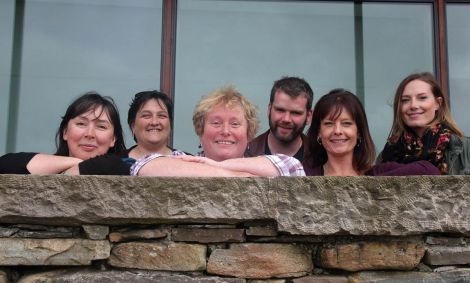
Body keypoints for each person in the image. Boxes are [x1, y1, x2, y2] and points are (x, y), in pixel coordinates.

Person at [131, 86, 305, 177]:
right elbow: (144, 166)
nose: (225, 131)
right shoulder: (180, 160)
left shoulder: (267, 163)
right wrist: (235, 175)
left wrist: (216, 165)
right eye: (216, 123)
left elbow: (293, 168)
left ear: (249, 133)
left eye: (235, 124)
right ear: (201, 130)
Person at [303, 89, 440, 176]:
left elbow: (429, 170)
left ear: (359, 133)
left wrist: (370, 185)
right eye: (329, 124)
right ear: (319, 133)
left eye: (347, 123)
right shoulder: (304, 174)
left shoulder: (376, 174)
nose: (338, 131)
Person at [0, 92, 126, 174]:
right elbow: (5, 164)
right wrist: (75, 162)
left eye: (101, 126)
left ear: (113, 139)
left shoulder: (125, 167)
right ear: (65, 132)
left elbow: (114, 166)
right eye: (81, 124)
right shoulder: (52, 167)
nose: (90, 134)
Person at [72, 90, 186, 175]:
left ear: (170, 125)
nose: (154, 122)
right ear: (133, 126)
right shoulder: (112, 162)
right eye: (146, 116)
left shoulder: (187, 160)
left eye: (162, 116)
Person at [378, 72, 470, 175]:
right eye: (405, 100)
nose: (413, 105)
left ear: (438, 103)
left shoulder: (465, 149)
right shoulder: (387, 154)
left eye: (422, 98)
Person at [247, 76, 313, 162]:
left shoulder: (320, 156)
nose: (286, 119)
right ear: (269, 109)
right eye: (280, 110)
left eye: (295, 113)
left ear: (308, 116)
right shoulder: (246, 153)